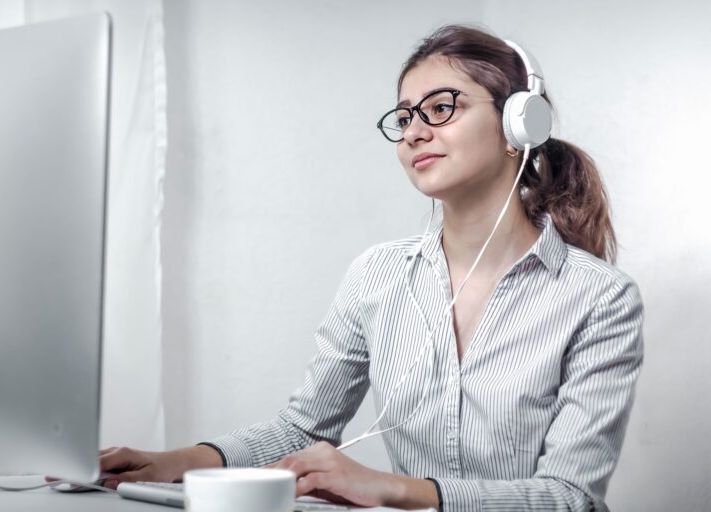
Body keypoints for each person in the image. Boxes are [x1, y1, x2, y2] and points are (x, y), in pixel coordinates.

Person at [99, 25, 644, 511]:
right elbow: (303, 428)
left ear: (517, 125)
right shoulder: (377, 276)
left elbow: (570, 499)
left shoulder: (600, 299)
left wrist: (391, 489)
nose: (413, 133)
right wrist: (169, 463)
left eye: (441, 108)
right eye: (405, 116)